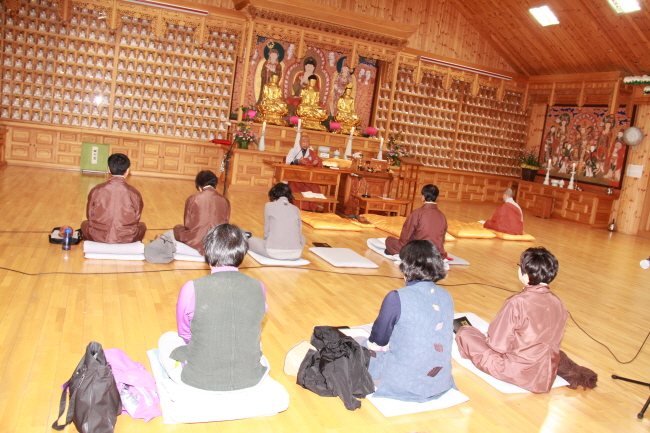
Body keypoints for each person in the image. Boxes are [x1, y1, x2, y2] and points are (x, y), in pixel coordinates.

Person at [158, 224, 268, 391]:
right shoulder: (258, 285)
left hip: (199, 379)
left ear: (207, 252)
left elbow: (185, 333)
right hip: (252, 378)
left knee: (166, 338)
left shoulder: (191, 287)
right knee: (255, 345)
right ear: (243, 253)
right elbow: (255, 318)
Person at [455, 247, 567, 393]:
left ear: (525, 273)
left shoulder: (517, 302)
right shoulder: (559, 304)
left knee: (465, 332)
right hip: (546, 373)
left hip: (516, 371)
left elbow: (497, 345)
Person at [367, 240, 455, 402]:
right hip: (440, 382)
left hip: (402, 383)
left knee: (360, 344)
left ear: (406, 266)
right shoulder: (446, 295)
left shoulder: (396, 297)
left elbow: (378, 340)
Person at [81, 153, 146, 243]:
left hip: (98, 236)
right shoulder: (134, 193)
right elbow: (136, 218)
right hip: (126, 237)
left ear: (108, 169)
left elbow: (89, 216)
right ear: (127, 170)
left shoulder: (96, 190)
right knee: (142, 226)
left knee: (84, 224)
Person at [173, 170, 230, 255]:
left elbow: (188, 224)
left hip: (195, 241)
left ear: (199, 187)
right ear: (215, 184)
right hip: (217, 242)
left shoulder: (193, 198)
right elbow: (226, 223)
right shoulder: (225, 200)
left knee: (177, 228)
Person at [385, 184, 447, 258]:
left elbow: (406, 235)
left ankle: (402, 253)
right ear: (436, 197)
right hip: (436, 252)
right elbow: (442, 238)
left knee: (389, 240)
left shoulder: (417, 213)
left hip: (418, 251)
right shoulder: (442, 215)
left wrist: (404, 247)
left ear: (423, 197)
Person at [248, 183, 305, 260]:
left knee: (250, 240)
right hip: (296, 254)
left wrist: (267, 243)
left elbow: (267, 230)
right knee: (302, 237)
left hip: (273, 252)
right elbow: (299, 231)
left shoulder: (269, 206)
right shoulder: (296, 209)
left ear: (273, 193)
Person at [285, 134, 324, 211]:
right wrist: (298, 161)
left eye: (307, 142)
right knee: (293, 185)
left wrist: (315, 163)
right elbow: (288, 161)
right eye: (304, 142)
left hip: (307, 176)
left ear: (309, 143)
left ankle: (310, 207)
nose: (305, 144)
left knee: (314, 186)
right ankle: (294, 205)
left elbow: (318, 161)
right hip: (295, 175)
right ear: (299, 142)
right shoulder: (294, 150)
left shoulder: (311, 152)